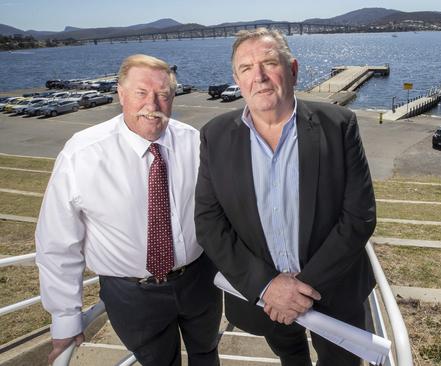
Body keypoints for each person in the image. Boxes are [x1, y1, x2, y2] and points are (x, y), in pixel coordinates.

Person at [195, 28, 376, 366]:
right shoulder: (215, 136)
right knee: (290, 355)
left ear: (292, 69)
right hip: (265, 299)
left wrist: (297, 290)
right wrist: (268, 287)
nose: (259, 77)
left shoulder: (338, 126)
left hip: (333, 289)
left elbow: (359, 217)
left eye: (269, 63)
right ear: (236, 78)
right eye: (246, 68)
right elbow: (208, 223)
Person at [36, 54, 222, 366]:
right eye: (141, 93)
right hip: (131, 294)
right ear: (120, 94)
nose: (153, 104)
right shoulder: (82, 154)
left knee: (206, 355)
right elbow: (57, 243)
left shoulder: (194, 143)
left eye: (164, 94)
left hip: (199, 281)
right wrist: (65, 318)